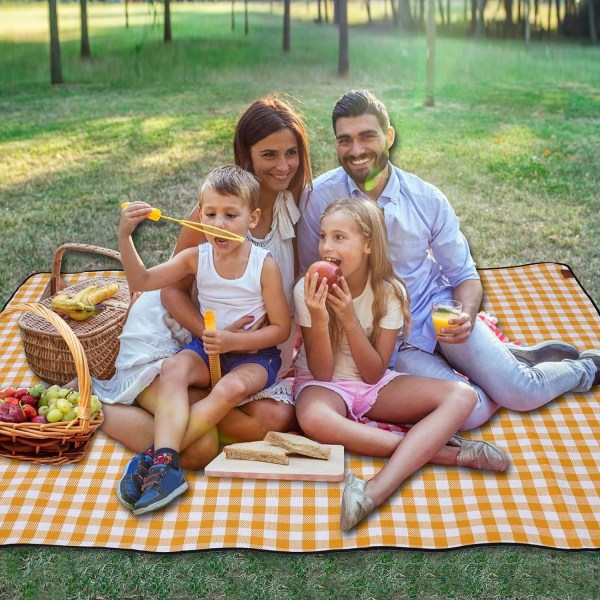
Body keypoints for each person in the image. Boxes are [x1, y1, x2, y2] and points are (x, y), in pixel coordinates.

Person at [297, 89, 600, 434]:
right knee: (470, 412)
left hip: (433, 310)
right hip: (384, 342)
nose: (356, 150)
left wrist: (466, 316)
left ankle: (584, 369)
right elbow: (313, 272)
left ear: (389, 136)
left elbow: (464, 275)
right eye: (345, 140)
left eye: (367, 136)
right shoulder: (318, 198)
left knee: (522, 391)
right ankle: (501, 361)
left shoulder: (426, 199)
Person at [95, 93, 312, 471]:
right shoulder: (212, 214)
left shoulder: (287, 205)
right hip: (178, 332)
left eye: (290, 153)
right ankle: (102, 409)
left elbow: (277, 310)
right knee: (200, 450)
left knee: (274, 420)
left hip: (237, 348)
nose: (283, 165)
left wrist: (238, 342)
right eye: (269, 155)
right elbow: (169, 290)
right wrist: (212, 336)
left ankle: (178, 415)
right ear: (247, 155)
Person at [294, 198, 507, 531]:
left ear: (367, 243)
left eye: (339, 237)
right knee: (313, 418)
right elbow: (321, 371)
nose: (325, 246)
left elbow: (374, 372)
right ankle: (442, 452)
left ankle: (373, 491)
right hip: (322, 385)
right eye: (323, 236)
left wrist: (349, 320)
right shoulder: (308, 289)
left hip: (373, 383)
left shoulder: (388, 293)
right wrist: (319, 319)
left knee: (463, 396)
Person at [117, 165, 291, 514]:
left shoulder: (263, 265)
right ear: (199, 216)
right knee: (175, 367)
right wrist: (125, 237)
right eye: (210, 214)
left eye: (230, 214)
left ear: (252, 218)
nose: (219, 224)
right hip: (208, 349)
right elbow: (143, 281)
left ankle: (153, 457)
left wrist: (233, 342)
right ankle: (166, 462)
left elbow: (281, 329)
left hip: (253, 356)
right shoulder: (197, 258)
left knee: (230, 390)